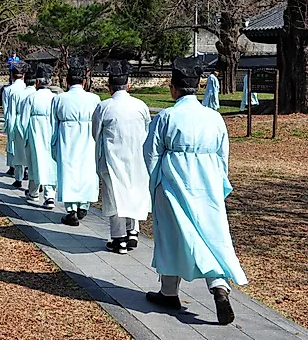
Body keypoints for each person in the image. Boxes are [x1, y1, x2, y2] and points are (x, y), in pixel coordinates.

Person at [144, 57, 246, 326]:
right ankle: (219, 286)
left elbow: (151, 153)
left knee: (173, 235)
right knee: (211, 235)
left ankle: (169, 292)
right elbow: (223, 154)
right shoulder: (214, 118)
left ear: (173, 88)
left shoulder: (167, 116)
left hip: (174, 182)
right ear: (199, 86)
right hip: (208, 182)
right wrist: (220, 182)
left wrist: (155, 183)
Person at [92, 60, 151, 254]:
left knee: (115, 195)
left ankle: (119, 239)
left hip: (113, 157)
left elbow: (95, 132)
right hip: (136, 156)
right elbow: (147, 129)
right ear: (129, 85)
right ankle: (132, 231)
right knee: (133, 191)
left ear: (109, 87)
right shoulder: (140, 105)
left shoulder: (104, 106)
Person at [53, 58, 101, 226]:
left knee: (69, 172)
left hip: (68, 138)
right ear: (84, 81)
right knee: (87, 171)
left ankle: (71, 209)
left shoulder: (60, 99)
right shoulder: (94, 99)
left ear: (67, 81)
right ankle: (84, 204)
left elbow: (54, 124)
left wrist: (54, 146)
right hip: (89, 139)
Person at [19, 63, 57, 209]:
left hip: (35, 133)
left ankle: (34, 192)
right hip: (51, 132)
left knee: (35, 162)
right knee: (50, 165)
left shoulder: (31, 97)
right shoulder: (55, 98)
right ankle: (50, 196)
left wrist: (26, 137)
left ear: (37, 82)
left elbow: (23, 121)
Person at [5, 64, 30, 187]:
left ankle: (16, 172)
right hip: (30, 122)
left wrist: (9, 126)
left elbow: (7, 110)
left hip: (16, 119)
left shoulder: (9, 90)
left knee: (16, 148)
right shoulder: (27, 89)